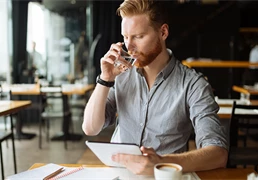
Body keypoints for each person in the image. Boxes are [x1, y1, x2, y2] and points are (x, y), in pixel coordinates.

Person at [82, 0, 228, 175]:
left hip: (165, 176)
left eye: (138, 36)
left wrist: (161, 162)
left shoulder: (193, 85)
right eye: (125, 37)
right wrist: (105, 79)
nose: (129, 47)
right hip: (120, 174)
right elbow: (90, 128)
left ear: (163, 32)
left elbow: (218, 154)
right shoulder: (121, 75)